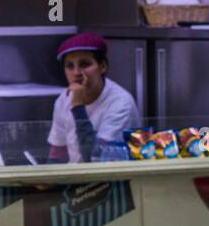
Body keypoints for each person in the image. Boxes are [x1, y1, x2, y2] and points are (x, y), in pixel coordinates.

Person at [47, 32, 141, 163]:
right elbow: (57, 153)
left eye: (84, 64)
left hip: (112, 179)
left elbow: (96, 157)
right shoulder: (63, 100)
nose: (76, 73)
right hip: (77, 179)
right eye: (70, 66)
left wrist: (78, 108)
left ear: (102, 66)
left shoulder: (121, 102)